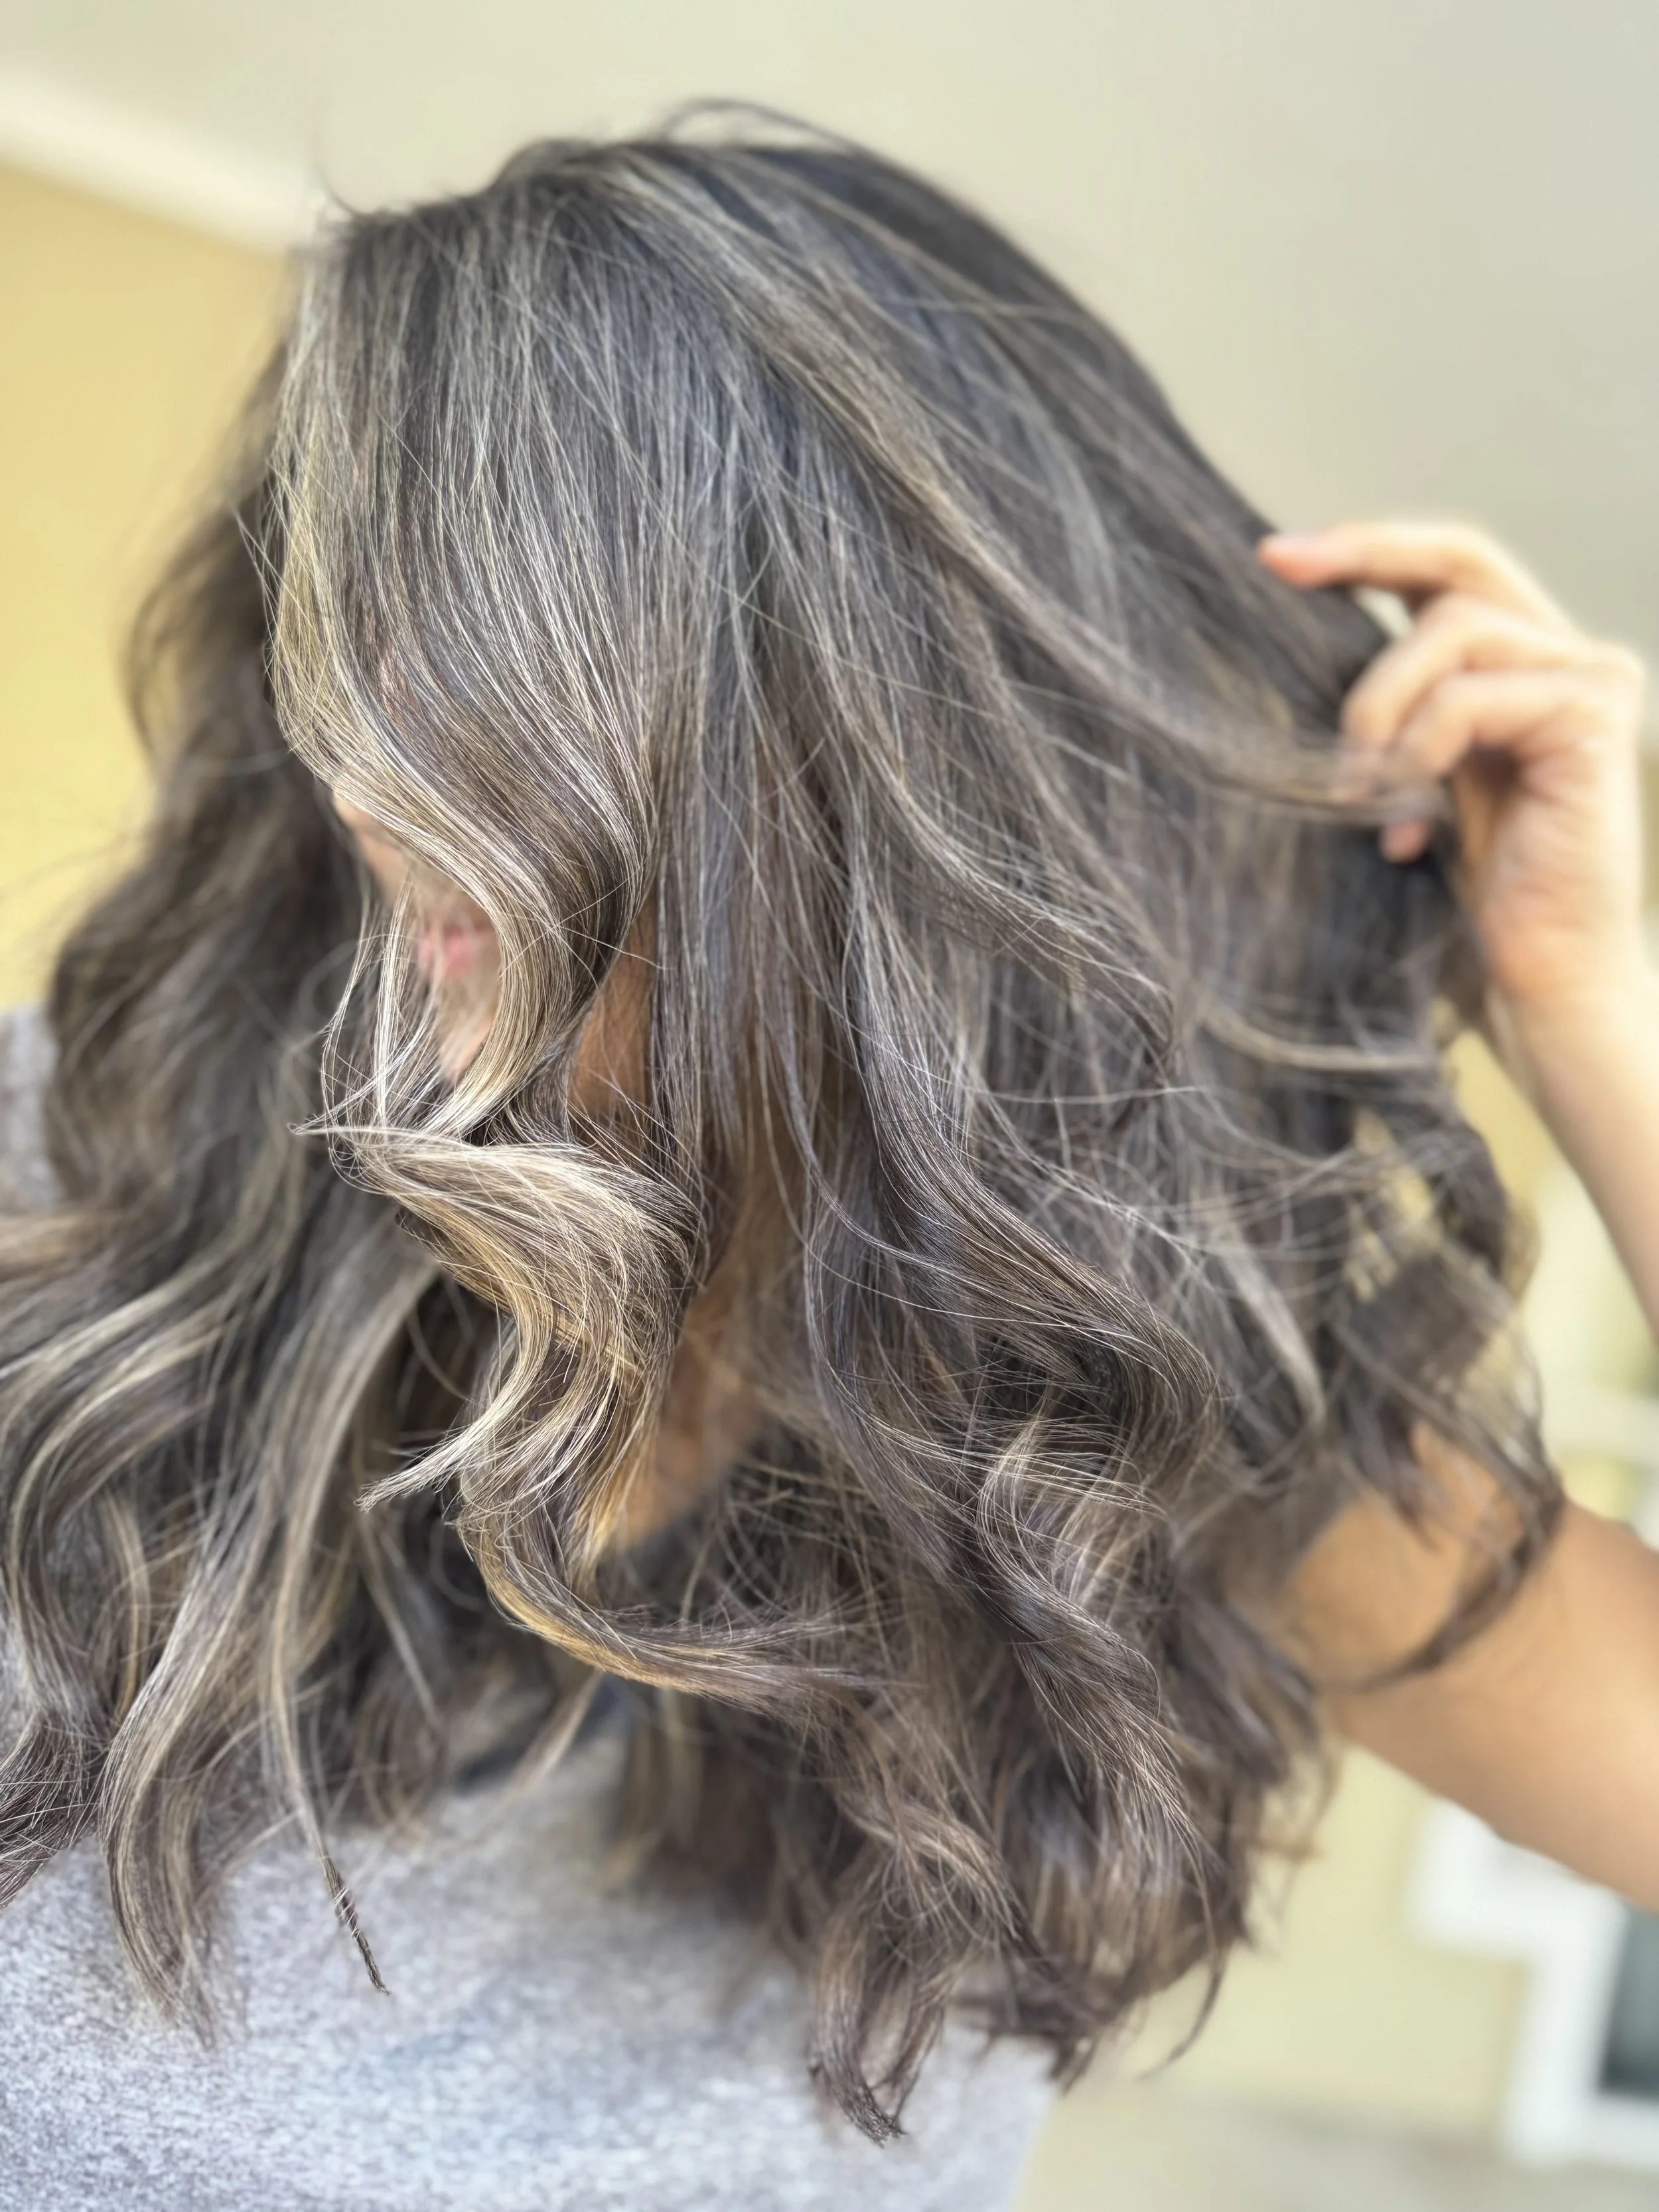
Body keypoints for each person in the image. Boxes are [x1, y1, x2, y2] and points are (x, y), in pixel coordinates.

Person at [0, 115, 1652, 2209]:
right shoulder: (74, 1176)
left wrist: (1593, 1008)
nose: (369, 760)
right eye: (363, 623)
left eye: (506, 635)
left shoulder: (1157, 1435)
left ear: (869, 728)